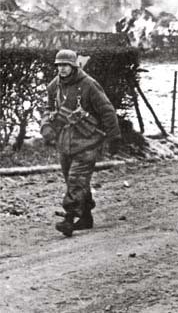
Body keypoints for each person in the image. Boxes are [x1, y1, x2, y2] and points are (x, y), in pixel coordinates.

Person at [41, 49, 121, 237]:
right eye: (59, 65)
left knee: (76, 180)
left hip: (87, 141)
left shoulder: (89, 85)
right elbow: (49, 108)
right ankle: (85, 217)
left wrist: (114, 137)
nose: (61, 69)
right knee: (74, 180)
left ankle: (69, 219)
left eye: (65, 65)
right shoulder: (55, 86)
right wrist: (46, 126)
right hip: (65, 142)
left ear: (74, 66)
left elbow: (107, 110)